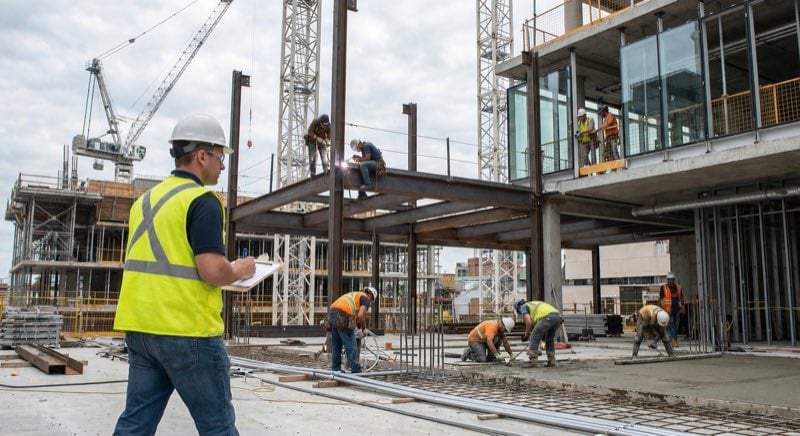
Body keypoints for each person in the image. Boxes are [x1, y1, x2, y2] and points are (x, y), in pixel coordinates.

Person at [113, 114, 257, 435]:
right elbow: (211, 271)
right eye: (220, 157)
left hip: (141, 330)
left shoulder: (145, 201)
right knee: (217, 426)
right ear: (202, 155)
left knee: (135, 423)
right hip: (186, 331)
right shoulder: (202, 200)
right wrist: (239, 270)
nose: (222, 166)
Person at [327, 286, 377, 373]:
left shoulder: (355, 295)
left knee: (337, 345)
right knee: (351, 343)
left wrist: (358, 326)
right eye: (371, 300)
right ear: (370, 295)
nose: (370, 302)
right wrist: (364, 329)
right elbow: (361, 315)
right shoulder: (365, 298)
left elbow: (357, 316)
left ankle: (335, 369)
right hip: (343, 315)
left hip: (332, 313)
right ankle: (355, 369)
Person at [514, 299, 562, 367]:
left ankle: (533, 361)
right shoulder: (534, 304)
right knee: (549, 339)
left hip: (547, 317)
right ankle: (552, 361)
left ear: (518, 307)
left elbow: (529, 322)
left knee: (533, 337)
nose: (522, 313)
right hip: (557, 317)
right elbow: (538, 327)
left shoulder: (523, 307)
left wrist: (526, 335)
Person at [660, 271, 685, 347]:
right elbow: (661, 299)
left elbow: (681, 299)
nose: (670, 281)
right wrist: (661, 309)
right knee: (672, 325)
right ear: (667, 280)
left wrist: (682, 308)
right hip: (668, 310)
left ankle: (671, 338)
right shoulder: (664, 287)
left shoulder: (678, 287)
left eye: (672, 279)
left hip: (676, 310)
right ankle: (674, 340)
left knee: (676, 326)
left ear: (673, 280)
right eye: (669, 279)